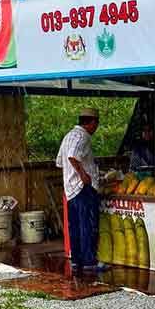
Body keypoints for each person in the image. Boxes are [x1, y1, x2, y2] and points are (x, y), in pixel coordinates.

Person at [55, 108, 100, 272]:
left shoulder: (68, 136)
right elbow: (72, 156)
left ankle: (76, 261)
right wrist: (83, 174)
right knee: (87, 225)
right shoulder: (82, 136)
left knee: (75, 225)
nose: (96, 128)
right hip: (82, 188)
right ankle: (89, 262)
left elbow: (60, 162)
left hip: (70, 189)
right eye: (96, 124)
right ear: (92, 123)